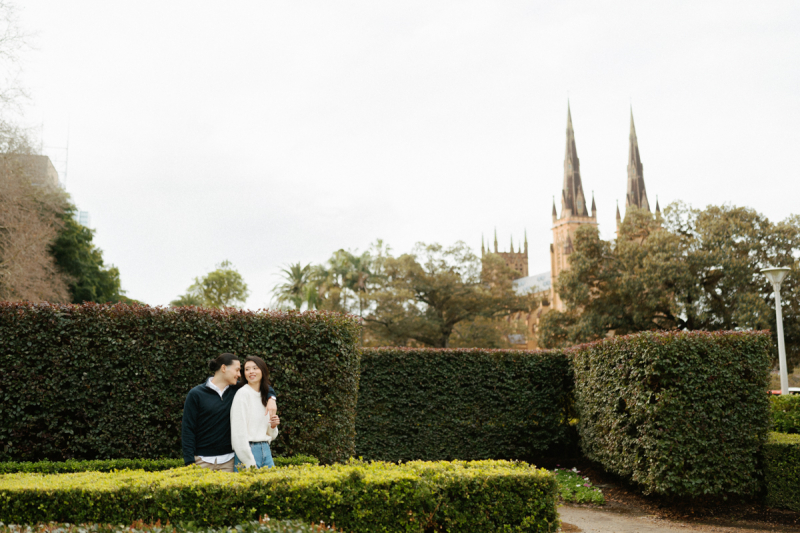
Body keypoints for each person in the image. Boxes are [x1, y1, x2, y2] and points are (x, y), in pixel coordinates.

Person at [181, 353, 277, 472]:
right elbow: (188, 430)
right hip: (202, 461)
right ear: (223, 368)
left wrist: (271, 398)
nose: (239, 374)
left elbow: (262, 384)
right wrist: (190, 462)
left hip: (229, 461)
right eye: (237, 370)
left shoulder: (237, 389)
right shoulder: (196, 394)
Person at [231, 356, 280, 470]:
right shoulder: (242, 394)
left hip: (266, 449)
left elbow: (271, 435)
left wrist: (273, 426)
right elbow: (238, 434)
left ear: (262, 370)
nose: (251, 371)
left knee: (273, 487)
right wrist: (249, 461)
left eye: (255, 368)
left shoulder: (266, 396)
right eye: (247, 369)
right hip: (248, 451)